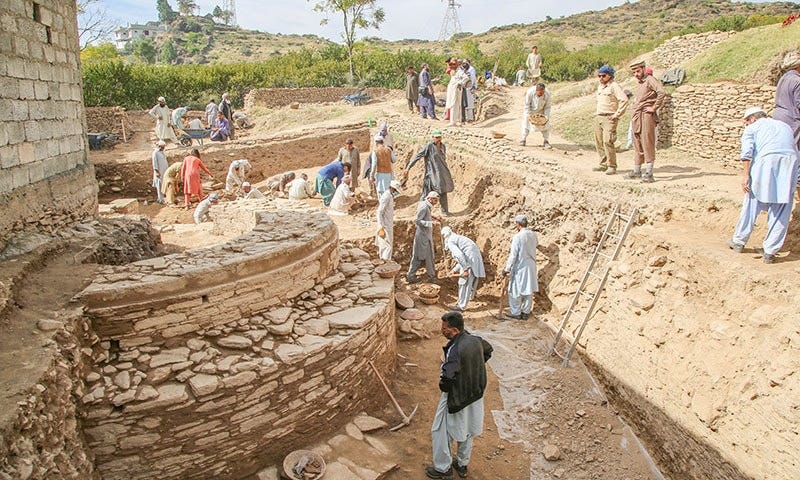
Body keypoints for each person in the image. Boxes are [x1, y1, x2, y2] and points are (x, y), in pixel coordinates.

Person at [426, 311, 493, 480]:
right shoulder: (475, 340)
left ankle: (443, 468)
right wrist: (473, 368)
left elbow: (447, 378)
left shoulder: (455, 349)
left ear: (454, 330)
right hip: (475, 395)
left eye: (444, 329)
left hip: (458, 397)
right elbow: (488, 350)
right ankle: (462, 465)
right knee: (468, 430)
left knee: (440, 430)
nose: (442, 331)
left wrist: (444, 386)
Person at [727, 107, 799, 264]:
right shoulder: (784, 126)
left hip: (767, 163)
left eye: (746, 122)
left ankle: (739, 241)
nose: (746, 125)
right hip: (790, 164)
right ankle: (770, 252)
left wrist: (746, 175)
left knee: (752, 201)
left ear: (752, 119)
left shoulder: (753, 128)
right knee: (781, 208)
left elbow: (747, 152)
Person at [626, 60, 666, 183]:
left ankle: (649, 172)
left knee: (647, 142)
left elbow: (661, 92)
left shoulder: (650, 80)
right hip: (637, 116)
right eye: (634, 72)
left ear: (643, 69)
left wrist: (654, 107)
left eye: (638, 71)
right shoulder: (641, 83)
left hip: (646, 116)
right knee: (637, 142)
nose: (636, 74)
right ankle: (637, 170)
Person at [404, 130, 455, 216]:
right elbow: (418, 156)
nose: (438, 139)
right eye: (436, 137)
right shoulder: (429, 146)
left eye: (439, 137)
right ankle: (421, 211)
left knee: (443, 191)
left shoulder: (443, 147)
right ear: (433, 138)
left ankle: (444, 211)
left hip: (442, 173)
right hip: (431, 174)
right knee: (426, 193)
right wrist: (408, 167)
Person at [592, 65, 629, 175]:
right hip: (599, 116)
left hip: (609, 117)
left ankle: (612, 165)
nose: (600, 78)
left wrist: (617, 114)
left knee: (608, 141)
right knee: (598, 142)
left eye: (603, 76)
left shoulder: (614, 86)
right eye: (599, 76)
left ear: (609, 76)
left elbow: (624, 100)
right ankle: (603, 164)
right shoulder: (600, 87)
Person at [502, 215, 538, 321]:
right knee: (528, 289)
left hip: (520, 265)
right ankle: (525, 312)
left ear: (518, 224)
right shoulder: (533, 234)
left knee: (515, 289)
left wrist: (507, 269)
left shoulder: (518, 237)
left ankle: (515, 312)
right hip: (531, 265)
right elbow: (536, 244)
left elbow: (513, 255)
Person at [441, 227, 485, 312]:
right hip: (472, 259)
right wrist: (454, 270)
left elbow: (460, 256)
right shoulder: (457, 238)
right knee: (469, 281)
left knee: (464, 282)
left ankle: (461, 306)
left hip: (470, 260)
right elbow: (462, 259)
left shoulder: (450, 241)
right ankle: (469, 297)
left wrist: (465, 270)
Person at [406, 191, 442, 284]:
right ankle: (410, 276)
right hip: (422, 237)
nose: (436, 202)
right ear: (430, 198)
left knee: (429, 257)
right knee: (418, 257)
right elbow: (418, 221)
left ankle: (431, 276)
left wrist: (433, 217)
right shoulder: (424, 206)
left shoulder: (426, 205)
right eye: (435, 200)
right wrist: (431, 223)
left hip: (426, 236)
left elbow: (425, 216)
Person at [774, 51, 800, 150]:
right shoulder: (797, 81)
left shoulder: (783, 78)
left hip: (779, 117)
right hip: (791, 118)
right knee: (793, 149)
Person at [520, 83, 553, 149]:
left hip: (542, 111)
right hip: (531, 111)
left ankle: (546, 141)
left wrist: (546, 117)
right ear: (536, 91)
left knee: (546, 126)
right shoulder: (530, 92)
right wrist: (529, 116)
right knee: (526, 124)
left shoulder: (547, 94)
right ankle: (523, 139)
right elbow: (527, 105)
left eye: (542, 93)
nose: (541, 95)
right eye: (539, 94)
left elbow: (548, 107)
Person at [376, 180, 402, 261]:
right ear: (393, 189)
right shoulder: (386, 196)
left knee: (387, 244)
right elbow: (380, 211)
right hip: (384, 225)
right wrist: (381, 225)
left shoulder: (389, 196)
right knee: (387, 245)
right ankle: (386, 263)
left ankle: (385, 261)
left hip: (388, 223)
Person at [445, 59, 469, 126]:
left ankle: (455, 121)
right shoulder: (454, 71)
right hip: (452, 89)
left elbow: (466, 78)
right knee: (452, 105)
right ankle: (454, 120)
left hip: (456, 89)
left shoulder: (459, 71)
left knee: (456, 105)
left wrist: (459, 83)